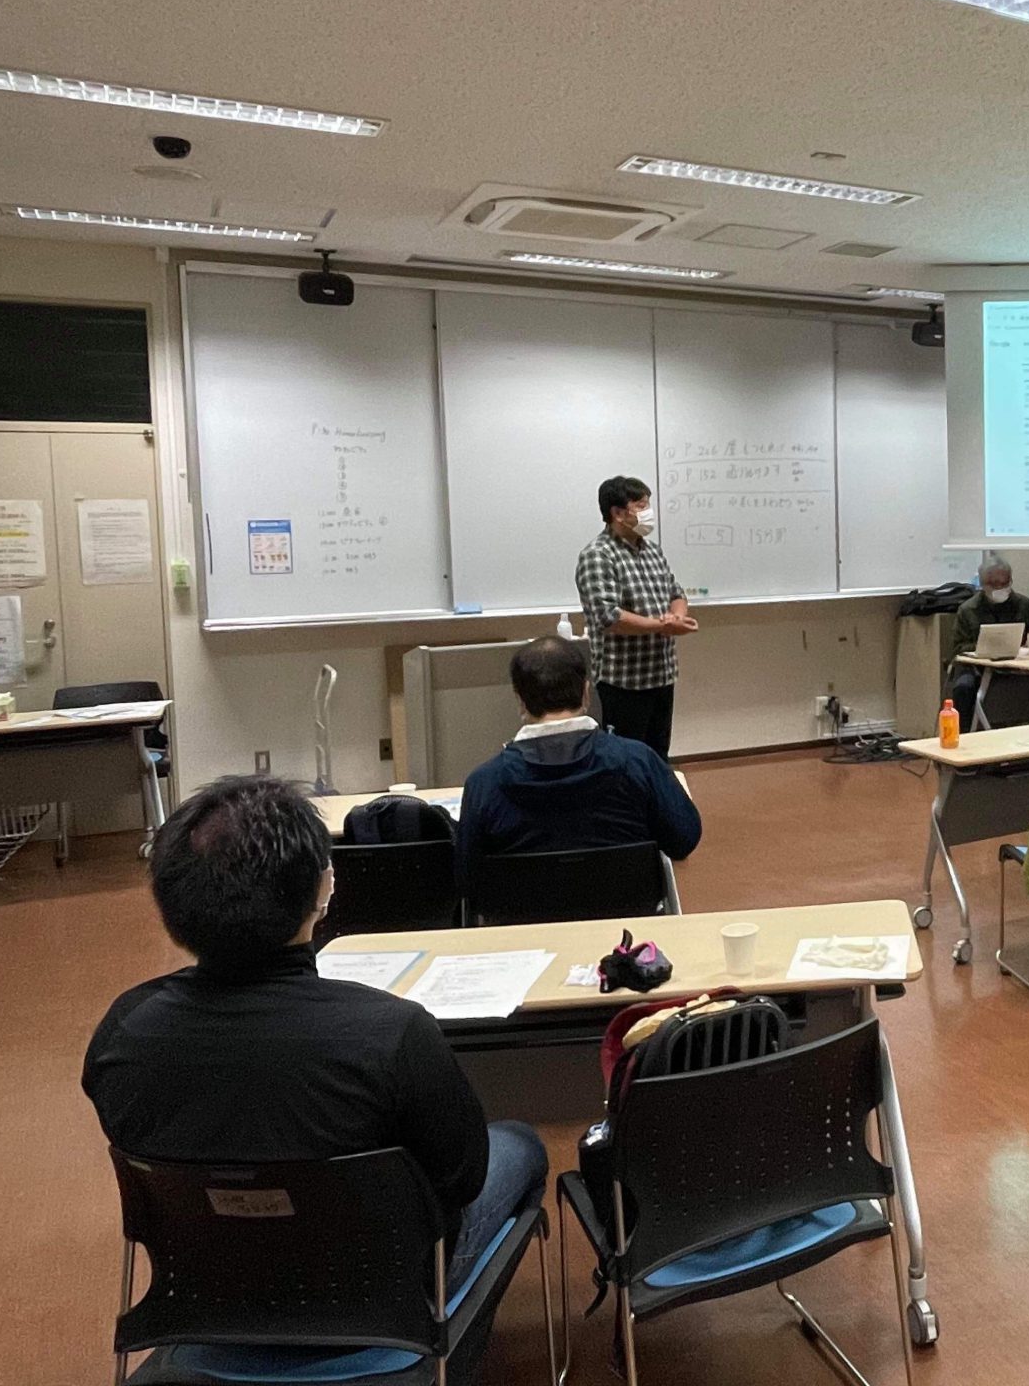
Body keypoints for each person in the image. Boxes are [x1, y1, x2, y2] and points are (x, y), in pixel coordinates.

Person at [83, 775, 546, 1298]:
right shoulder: (393, 1033)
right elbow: (462, 1179)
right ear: (322, 890)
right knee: (520, 1144)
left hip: (207, 1289)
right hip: (377, 1289)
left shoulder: (122, 1033)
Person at [457, 634, 702, 871]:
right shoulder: (638, 761)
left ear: (520, 701)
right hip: (627, 899)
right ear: (586, 693)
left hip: (524, 901)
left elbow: (467, 874)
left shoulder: (484, 783)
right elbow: (683, 839)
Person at [575, 475, 698, 760]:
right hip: (624, 682)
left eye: (647, 505)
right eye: (641, 506)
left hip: (661, 674)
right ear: (618, 513)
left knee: (657, 756)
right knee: (626, 760)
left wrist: (677, 618)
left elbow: (676, 593)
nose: (648, 512)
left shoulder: (653, 550)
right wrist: (663, 626)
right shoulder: (598, 555)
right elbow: (609, 617)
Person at [947, 552, 1029, 729]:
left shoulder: (1024, 605)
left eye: (1004, 583)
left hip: (1019, 665)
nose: (999, 588)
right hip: (976, 667)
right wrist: (984, 647)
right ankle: (963, 734)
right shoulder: (968, 609)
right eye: (993, 584)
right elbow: (957, 648)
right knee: (963, 687)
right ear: (982, 584)